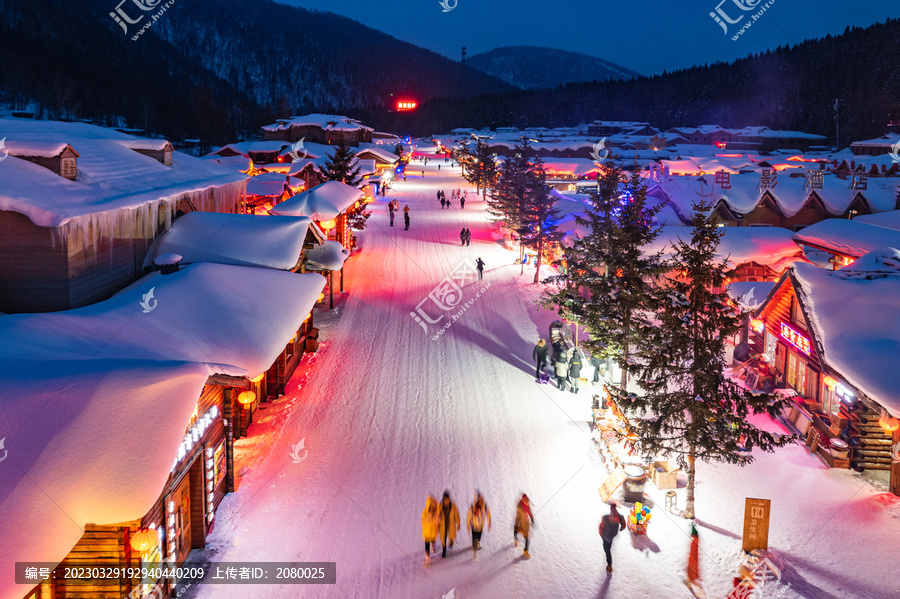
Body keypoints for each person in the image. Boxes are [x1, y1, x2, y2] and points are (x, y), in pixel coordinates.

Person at [599, 502, 625, 573]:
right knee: (608, 547)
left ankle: (609, 565)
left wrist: (601, 535)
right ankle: (609, 562)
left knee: (607, 549)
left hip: (606, 536)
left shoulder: (605, 517)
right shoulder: (619, 517)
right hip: (611, 536)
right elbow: (623, 524)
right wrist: (621, 528)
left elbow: (601, 527)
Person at [439, 491, 460, 558]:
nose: (447, 500)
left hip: (451, 524)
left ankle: (451, 542)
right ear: (443, 499)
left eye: (448, 499)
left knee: (451, 534)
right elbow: (437, 516)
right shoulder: (440, 506)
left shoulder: (453, 505)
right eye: (446, 499)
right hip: (443, 524)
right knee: (443, 537)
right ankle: (444, 550)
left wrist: (458, 523)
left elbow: (456, 514)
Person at [514, 494, 534, 559]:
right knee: (515, 531)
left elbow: (530, 513)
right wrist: (516, 525)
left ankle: (526, 551)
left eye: (527, 501)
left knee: (527, 538)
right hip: (521, 524)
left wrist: (532, 520)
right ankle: (515, 539)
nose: (527, 502)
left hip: (526, 525)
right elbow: (518, 517)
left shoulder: (527, 505)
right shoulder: (519, 507)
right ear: (523, 500)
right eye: (526, 501)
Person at [422, 495, 440, 566]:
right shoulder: (425, 511)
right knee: (426, 544)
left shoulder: (436, 512)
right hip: (426, 531)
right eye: (430, 505)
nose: (431, 506)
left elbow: (438, 520)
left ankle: (433, 544)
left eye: (433, 504)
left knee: (433, 539)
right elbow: (423, 521)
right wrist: (429, 516)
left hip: (433, 530)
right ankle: (427, 558)